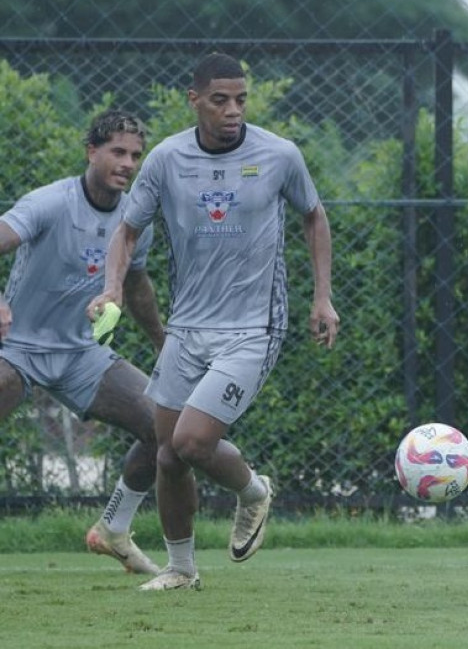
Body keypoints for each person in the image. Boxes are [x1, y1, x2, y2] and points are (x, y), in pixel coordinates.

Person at [87, 52, 340, 591]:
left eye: (241, 100)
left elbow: (313, 216)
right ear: (195, 100)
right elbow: (127, 231)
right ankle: (181, 569)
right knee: (167, 455)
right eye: (220, 100)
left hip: (253, 328)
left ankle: (254, 491)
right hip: (187, 328)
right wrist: (111, 288)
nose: (233, 111)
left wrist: (323, 298)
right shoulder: (166, 159)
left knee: (192, 442)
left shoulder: (279, 154)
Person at [0, 110, 166, 575]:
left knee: (163, 426)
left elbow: (136, 284)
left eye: (135, 155)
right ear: (91, 152)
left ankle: (113, 529)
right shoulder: (49, 203)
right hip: (17, 350)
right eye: (117, 151)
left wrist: (163, 342)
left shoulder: (135, 219)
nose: (128, 163)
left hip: (81, 355)